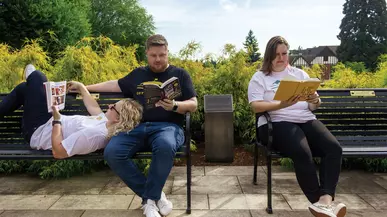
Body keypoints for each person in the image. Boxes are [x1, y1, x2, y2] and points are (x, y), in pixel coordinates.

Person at [86, 34, 197, 217]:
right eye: (153, 55)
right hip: (136, 127)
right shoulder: (138, 74)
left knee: (165, 146)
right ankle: (153, 197)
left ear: (167, 52)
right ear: (147, 53)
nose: (158, 59)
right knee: (112, 152)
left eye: (162, 55)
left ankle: (149, 201)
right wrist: (85, 87)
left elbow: (193, 104)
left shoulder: (180, 75)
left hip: (168, 127)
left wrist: (176, 105)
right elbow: (115, 85)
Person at [247, 36, 346, 217]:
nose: (281, 58)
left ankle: (325, 200)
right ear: (269, 56)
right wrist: (281, 105)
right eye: (276, 54)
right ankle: (319, 203)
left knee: (334, 148)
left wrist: (316, 100)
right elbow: (256, 106)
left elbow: (313, 105)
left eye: (284, 53)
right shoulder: (260, 77)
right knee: (302, 151)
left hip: (305, 118)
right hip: (275, 122)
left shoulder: (300, 75)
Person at [0, 64, 143, 159]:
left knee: (38, 78)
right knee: (24, 88)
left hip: (38, 131)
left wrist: (57, 120)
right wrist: (81, 87)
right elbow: (93, 107)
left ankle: (31, 76)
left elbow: (59, 152)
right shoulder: (105, 122)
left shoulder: (94, 135)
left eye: (113, 107)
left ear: (118, 119)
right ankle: (30, 80)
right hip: (47, 121)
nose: (110, 105)